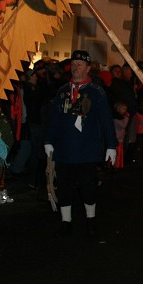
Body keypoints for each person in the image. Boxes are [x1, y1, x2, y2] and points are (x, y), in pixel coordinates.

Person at [43, 50, 116, 236]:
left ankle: (91, 220)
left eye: (80, 65)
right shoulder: (62, 91)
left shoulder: (96, 91)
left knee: (87, 187)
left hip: (87, 149)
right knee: (65, 186)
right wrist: (49, 140)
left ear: (88, 68)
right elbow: (54, 118)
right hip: (65, 148)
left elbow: (106, 119)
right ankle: (66, 221)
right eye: (73, 64)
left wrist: (111, 145)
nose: (75, 68)